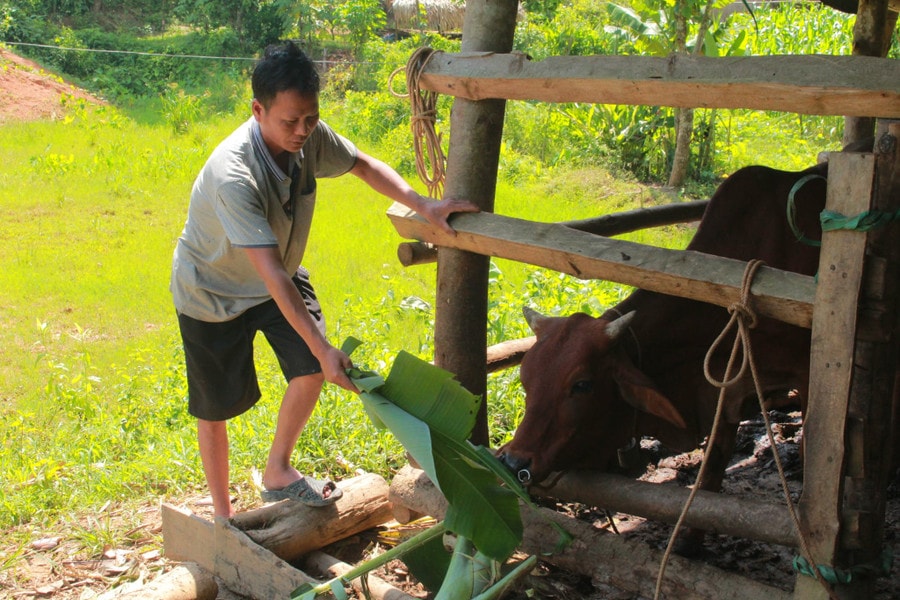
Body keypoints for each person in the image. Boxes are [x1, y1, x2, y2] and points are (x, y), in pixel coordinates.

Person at [170, 41, 478, 519]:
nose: (302, 130)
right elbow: (271, 273)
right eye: (290, 121)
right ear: (257, 110)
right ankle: (223, 519)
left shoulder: (308, 135)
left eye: (310, 118)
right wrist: (322, 346)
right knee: (216, 409)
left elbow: (362, 165)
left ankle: (278, 471)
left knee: (311, 368)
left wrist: (424, 205)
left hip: (277, 276)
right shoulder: (235, 174)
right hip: (212, 291)